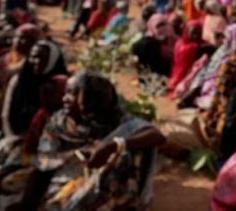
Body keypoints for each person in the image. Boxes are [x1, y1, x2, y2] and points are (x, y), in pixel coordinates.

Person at [16, 72, 165, 210]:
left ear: (90, 101)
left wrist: (111, 147)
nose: (65, 98)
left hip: (109, 191)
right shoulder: (60, 122)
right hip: (64, 182)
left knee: (128, 154)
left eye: (73, 93)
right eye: (66, 91)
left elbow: (156, 135)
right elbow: (43, 163)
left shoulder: (118, 122)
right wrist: (77, 156)